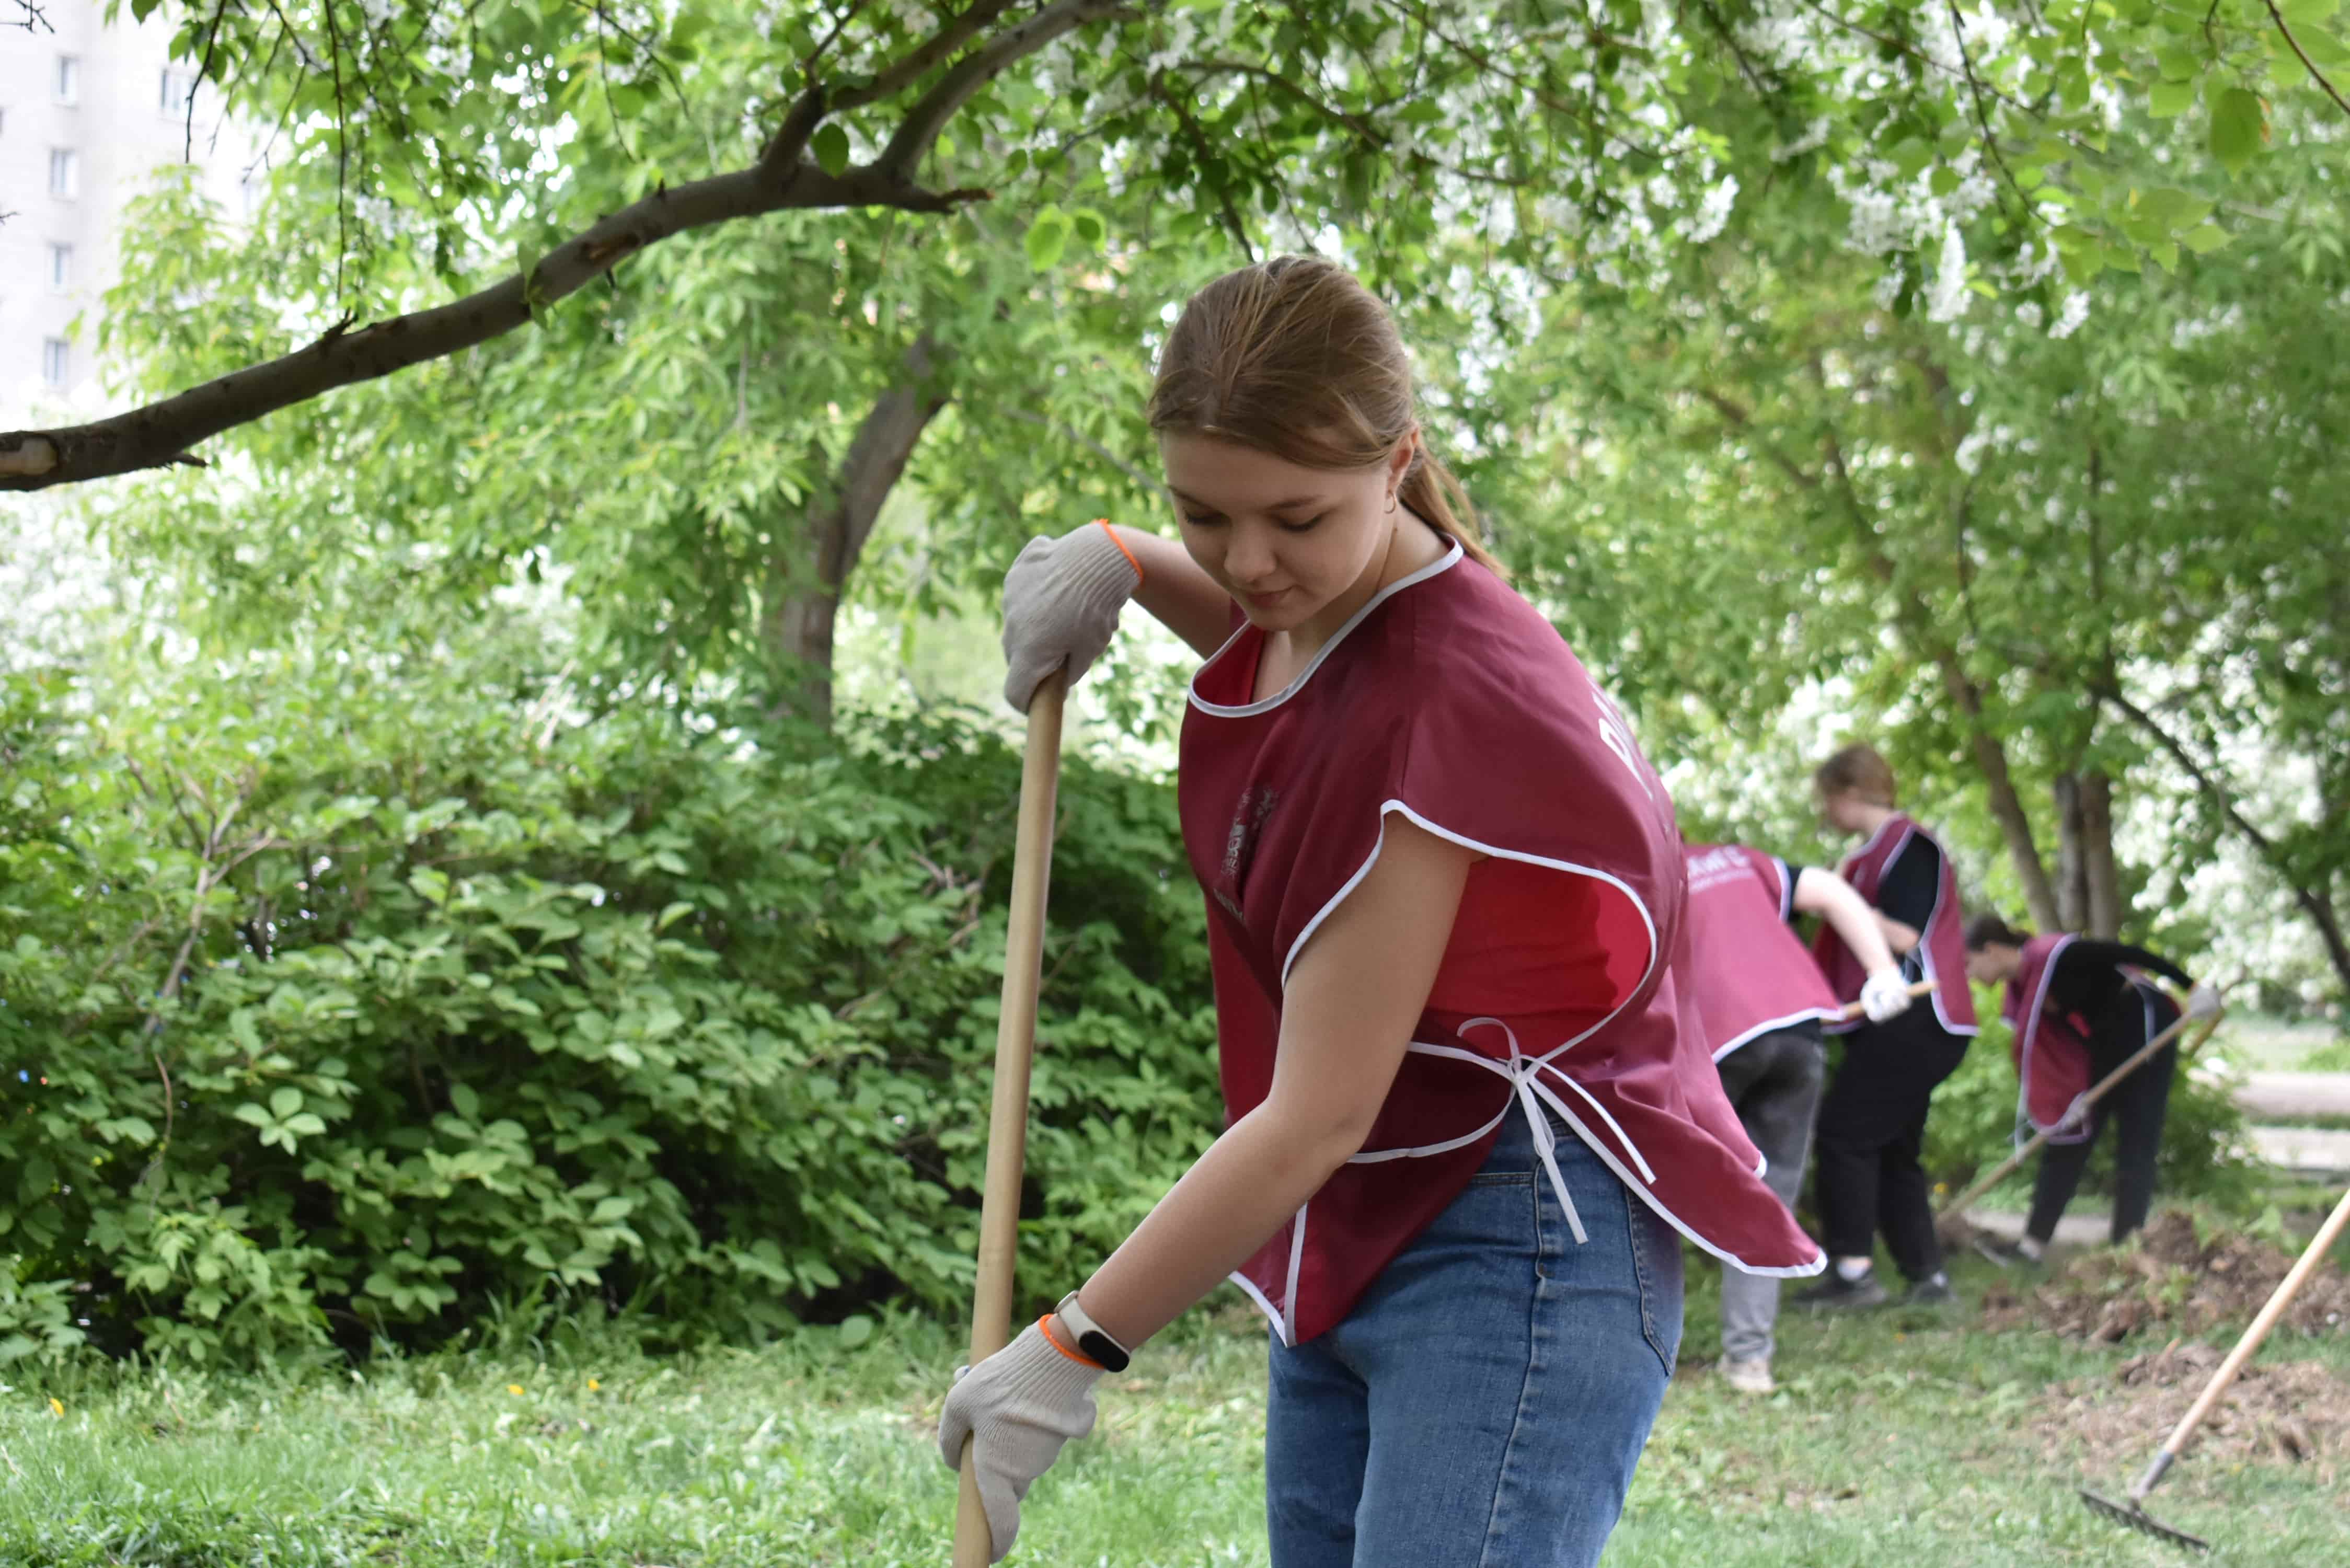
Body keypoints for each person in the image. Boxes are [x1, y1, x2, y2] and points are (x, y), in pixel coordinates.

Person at [935, 257, 1823, 1568]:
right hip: (1371, 1218)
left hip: (1516, 1243)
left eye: (1294, 518)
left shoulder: (1442, 709)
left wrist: (1072, 1348)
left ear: (1397, 460)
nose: (1248, 565)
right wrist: (1123, 562)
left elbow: (1314, 1115)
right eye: (1199, 514)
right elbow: (1299, 659)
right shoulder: (1357, 608)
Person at [1680, 842, 1913, 1392]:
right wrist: (1881, 971)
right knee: (1768, 1199)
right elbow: (1831, 891)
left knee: (1664, 1189)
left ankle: (1641, 1349)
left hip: (1717, 1039)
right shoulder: (1739, 859)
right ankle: (1748, 1363)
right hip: (1797, 1029)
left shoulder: (1645, 870)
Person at [1791, 743, 1978, 1310]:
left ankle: (1852, 1274)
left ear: (1847, 794)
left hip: (1919, 1015)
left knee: (1844, 1133)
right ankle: (1927, 1277)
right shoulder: (1871, 854)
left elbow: (1902, 938)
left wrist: (1840, 899)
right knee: (1893, 1147)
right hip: (1899, 1022)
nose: (1825, 812)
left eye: (1827, 799)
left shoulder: (1909, 848)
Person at [1963, 914, 2222, 1263]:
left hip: (2146, 1028)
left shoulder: (2059, 956)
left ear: (1992, 950)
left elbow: (2132, 953)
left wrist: (2192, 987)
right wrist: (2071, 1091)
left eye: (1969, 964)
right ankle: (2031, 1248)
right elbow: (2062, 1038)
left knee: (2137, 1139)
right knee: (2069, 1135)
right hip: (2104, 1042)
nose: (1969, 975)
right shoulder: (2023, 987)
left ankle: (2127, 1247)